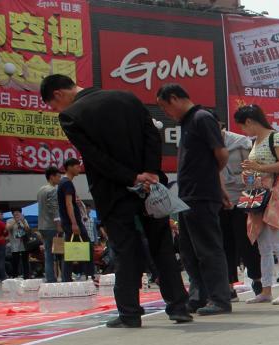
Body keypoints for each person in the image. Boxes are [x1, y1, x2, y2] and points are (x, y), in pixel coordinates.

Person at [40, 73, 190, 328]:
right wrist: (150, 172)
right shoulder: (127, 97)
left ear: (58, 94)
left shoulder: (71, 116)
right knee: (162, 245)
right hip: (151, 187)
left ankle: (130, 312)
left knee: (125, 250)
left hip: (113, 191)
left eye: (54, 105)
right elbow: (153, 135)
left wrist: (131, 177)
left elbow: (95, 157)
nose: (57, 110)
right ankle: (179, 307)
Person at [155, 83, 231, 316]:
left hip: (202, 193)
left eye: (165, 107)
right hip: (188, 195)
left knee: (208, 249)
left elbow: (221, 154)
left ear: (174, 98)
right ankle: (199, 296)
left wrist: (210, 177)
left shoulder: (202, 118)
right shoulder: (187, 123)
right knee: (189, 251)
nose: (166, 113)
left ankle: (219, 299)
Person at [233, 104, 279, 306]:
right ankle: (266, 290)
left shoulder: (274, 137)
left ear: (250, 121)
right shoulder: (255, 141)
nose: (243, 131)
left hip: (274, 195)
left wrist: (258, 167)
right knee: (264, 247)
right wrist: (249, 174)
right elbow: (257, 170)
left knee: (278, 244)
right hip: (259, 196)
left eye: (243, 126)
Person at [217, 115, 262, 297]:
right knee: (224, 242)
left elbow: (250, 169)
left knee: (246, 241)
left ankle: (257, 279)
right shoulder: (207, 144)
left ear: (221, 125)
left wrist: (250, 195)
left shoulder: (240, 142)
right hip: (221, 197)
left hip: (242, 195)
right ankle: (228, 285)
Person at [57, 158, 95, 281]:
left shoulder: (63, 182)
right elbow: (69, 204)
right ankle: (90, 275)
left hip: (68, 221)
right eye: (77, 166)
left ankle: (67, 277)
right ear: (69, 167)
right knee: (87, 246)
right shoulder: (67, 183)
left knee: (70, 250)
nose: (79, 169)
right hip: (72, 222)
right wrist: (74, 223)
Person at [36, 166, 62, 282]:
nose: (59, 179)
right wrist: (59, 225)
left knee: (48, 253)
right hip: (51, 225)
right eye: (58, 177)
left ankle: (50, 277)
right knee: (57, 253)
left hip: (42, 225)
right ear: (52, 177)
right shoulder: (52, 190)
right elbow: (54, 209)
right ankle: (53, 277)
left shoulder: (41, 190)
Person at [6, 209, 32, 278]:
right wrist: (15, 221)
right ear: (12, 214)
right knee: (15, 261)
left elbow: (28, 230)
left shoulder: (24, 220)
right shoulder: (9, 220)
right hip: (14, 244)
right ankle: (15, 276)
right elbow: (8, 228)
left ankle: (26, 276)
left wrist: (23, 221)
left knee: (25, 261)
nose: (17, 214)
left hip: (24, 244)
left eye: (18, 212)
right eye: (15, 213)